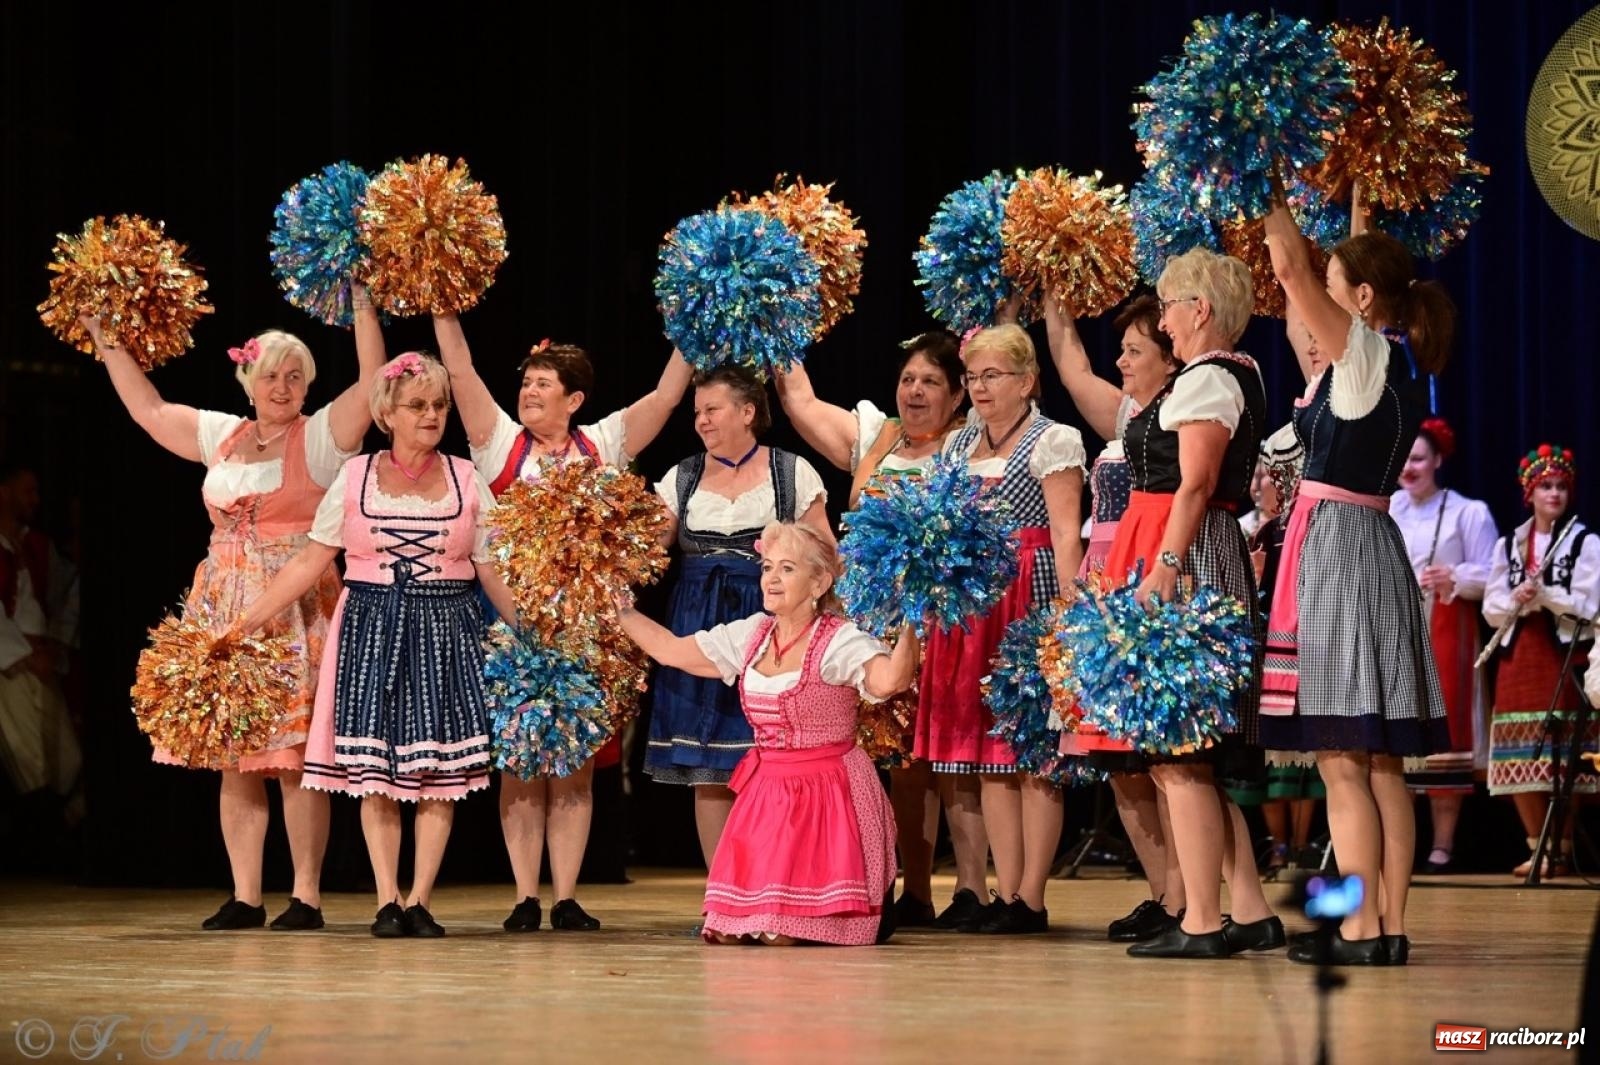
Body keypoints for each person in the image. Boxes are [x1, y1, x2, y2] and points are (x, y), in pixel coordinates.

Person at [83, 293, 383, 931]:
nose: (283, 385)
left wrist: (363, 306)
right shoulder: (223, 434)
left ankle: (306, 896)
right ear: (247, 379)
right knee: (235, 756)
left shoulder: (323, 437)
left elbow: (373, 380)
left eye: (295, 375)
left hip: (295, 607)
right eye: (271, 374)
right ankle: (246, 895)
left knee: (293, 762)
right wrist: (105, 337)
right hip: (221, 601)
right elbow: (149, 408)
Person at [236, 352, 516, 937]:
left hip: (446, 629)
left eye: (438, 405)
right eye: (418, 405)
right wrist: (246, 621)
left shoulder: (468, 479)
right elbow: (314, 558)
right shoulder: (356, 474)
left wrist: (535, 632)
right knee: (377, 772)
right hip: (371, 626)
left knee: (438, 772)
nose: (432, 415)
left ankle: (420, 900)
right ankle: (387, 898)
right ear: (388, 412)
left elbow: (491, 569)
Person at [432, 312, 692, 932]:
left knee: (575, 767)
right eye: (527, 382)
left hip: (586, 633)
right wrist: (441, 304)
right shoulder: (496, 441)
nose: (529, 391)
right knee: (521, 766)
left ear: (574, 398)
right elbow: (461, 368)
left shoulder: (600, 444)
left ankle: (567, 896)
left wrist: (694, 319)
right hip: (511, 625)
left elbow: (665, 395)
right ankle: (525, 896)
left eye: (544, 384)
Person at [1058, 249, 1276, 960]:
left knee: (1180, 754)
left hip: (1187, 557)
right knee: (1186, 758)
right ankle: (1248, 907)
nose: (1166, 319)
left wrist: (1166, 568)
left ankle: (1204, 920)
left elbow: (1195, 484)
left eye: (1171, 305)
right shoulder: (1217, 374)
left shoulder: (1212, 377)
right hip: (1174, 549)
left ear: (1200, 310)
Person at [1263, 202, 1455, 966]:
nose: (1318, 296)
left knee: (1345, 754)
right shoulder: (1384, 361)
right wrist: (1353, 212)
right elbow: (1299, 296)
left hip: (1339, 552)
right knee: (1381, 764)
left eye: (1336, 282)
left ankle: (1358, 927)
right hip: (1372, 545)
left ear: (1363, 298)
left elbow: (1289, 272)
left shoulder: (1366, 355)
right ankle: (1387, 923)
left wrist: (1268, 179)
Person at [617, 521, 917, 945]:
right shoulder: (753, 634)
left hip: (828, 800)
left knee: (781, 934)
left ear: (819, 583)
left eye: (787, 569)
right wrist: (619, 609)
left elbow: (889, 682)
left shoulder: (838, 639)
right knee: (731, 932)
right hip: (768, 800)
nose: (771, 579)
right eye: (767, 567)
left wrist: (915, 621)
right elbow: (671, 651)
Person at [775, 330, 986, 928]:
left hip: (941, 619)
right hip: (872, 620)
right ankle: (905, 888)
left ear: (958, 396)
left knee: (951, 757)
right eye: (908, 380)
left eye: (931, 382)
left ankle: (970, 890)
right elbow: (799, 400)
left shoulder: (971, 446)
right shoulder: (879, 435)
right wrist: (772, 321)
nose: (915, 391)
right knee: (890, 760)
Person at [916, 324, 1085, 934]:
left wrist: (1071, 612)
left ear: (1027, 381)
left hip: (1028, 597)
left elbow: (1067, 533)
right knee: (990, 758)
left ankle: (1031, 897)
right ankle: (1004, 893)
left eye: (993, 376)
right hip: (971, 605)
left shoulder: (1053, 440)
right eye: (974, 377)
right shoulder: (959, 445)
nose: (980, 388)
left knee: (1032, 756)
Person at [647, 366, 832, 872]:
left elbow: (826, 557)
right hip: (697, 625)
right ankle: (722, 891)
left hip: (769, 626)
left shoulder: (790, 472)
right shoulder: (681, 477)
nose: (701, 421)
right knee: (709, 769)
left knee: (769, 761)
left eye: (712, 409)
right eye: (697, 412)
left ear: (748, 412)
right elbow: (646, 552)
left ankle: (772, 883)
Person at [1044, 294, 1186, 941]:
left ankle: (1188, 898)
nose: (1122, 361)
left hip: (1145, 587)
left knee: (1158, 758)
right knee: (1118, 762)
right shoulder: (1129, 414)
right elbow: (1073, 371)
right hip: (1102, 591)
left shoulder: (1184, 418)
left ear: (1170, 357)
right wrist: (1054, 301)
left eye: (1135, 350)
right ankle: (1164, 893)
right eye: (1122, 349)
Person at [1482, 444, 1598, 877]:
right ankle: (1538, 846)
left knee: (1561, 756)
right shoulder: (1510, 543)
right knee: (1519, 752)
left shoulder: (1585, 541)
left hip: (1562, 655)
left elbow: (1589, 606)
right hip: (1518, 656)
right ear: (1529, 493)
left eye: (1561, 487)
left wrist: (1545, 595)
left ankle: (1561, 848)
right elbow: (1491, 606)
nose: (1554, 494)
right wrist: (1517, 597)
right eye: (1545, 486)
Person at [1390, 417, 1498, 872]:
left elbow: (1495, 572)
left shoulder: (1466, 512)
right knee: (1395, 733)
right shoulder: (1388, 507)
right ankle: (1396, 844)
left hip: (1447, 629)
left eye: (1418, 458)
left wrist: (1454, 575)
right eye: (1404, 460)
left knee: (1446, 735)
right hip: (1397, 630)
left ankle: (1442, 844)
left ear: (1437, 460)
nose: (1410, 468)